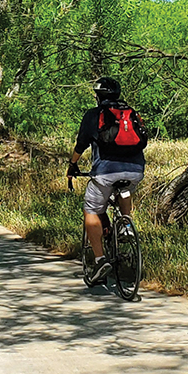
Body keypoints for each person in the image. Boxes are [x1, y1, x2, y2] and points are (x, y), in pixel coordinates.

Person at [69, 76, 147, 286]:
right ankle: (126, 225)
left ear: (98, 96)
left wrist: (72, 165)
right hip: (136, 171)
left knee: (92, 210)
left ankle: (100, 260)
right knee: (124, 188)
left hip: (105, 172)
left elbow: (81, 144)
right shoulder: (130, 114)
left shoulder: (94, 115)